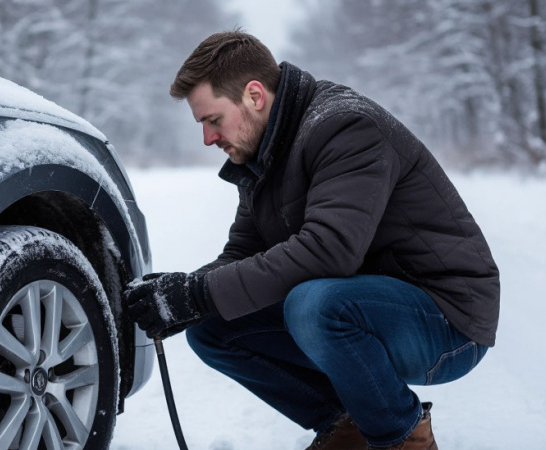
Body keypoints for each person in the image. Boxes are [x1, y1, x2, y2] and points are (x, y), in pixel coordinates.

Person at [123, 30, 499, 450]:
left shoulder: (345, 126)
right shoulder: (263, 153)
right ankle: (349, 426)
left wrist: (199, 292)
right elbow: (243, 253)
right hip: (368, 305)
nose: (209, 138)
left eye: (213, 120)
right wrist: (178, 296)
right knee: (213, 324)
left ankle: (402, 435)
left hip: (447, 320)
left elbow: (330, 250)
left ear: (254, 95)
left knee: (314, 305)